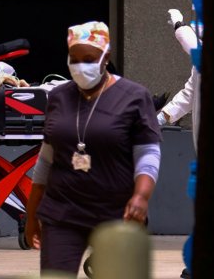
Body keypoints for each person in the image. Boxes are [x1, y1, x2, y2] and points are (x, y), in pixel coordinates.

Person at [24, 21, 161, 276]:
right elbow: (45, 161)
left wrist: (141, 196)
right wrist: (32, 215)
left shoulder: (134, 97)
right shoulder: (58, 97)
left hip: (116, 212)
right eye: (74, 59)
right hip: (62, 212)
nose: (80, 66)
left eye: (88, 58)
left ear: (105, 57)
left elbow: (147, 154)